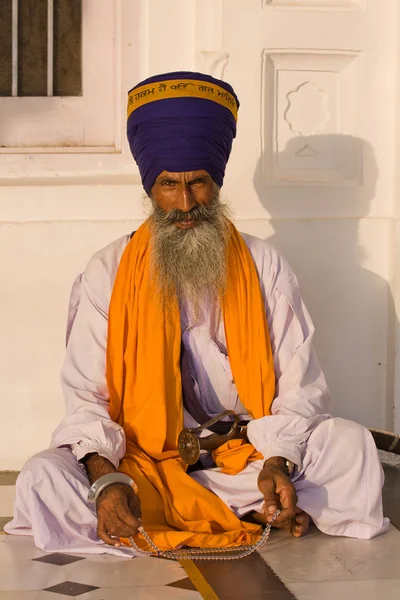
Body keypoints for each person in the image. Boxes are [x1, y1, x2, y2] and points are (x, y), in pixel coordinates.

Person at [5, 71, 389, 556]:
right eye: (169, 185)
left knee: (348, 447)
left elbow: (301, 388)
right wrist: (106, 481)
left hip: (247, 459)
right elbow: (85, 398)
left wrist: (279, 462)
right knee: (44, 479)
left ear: (216, 182)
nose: (185, 204)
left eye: (199, 184)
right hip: (144, 463)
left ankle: (261, 500)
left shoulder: (262, 264)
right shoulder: (109, 270)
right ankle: (255, 511)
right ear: (150, 187)